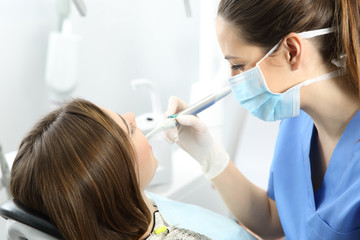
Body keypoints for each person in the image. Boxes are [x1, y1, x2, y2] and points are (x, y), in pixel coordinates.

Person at [164, 0, 360, 239]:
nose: (232, 80)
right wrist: (208, 154)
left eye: (238, 65)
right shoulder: (295, 122)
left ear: (292, 51)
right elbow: (273, 219)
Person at [9, 98, 257, 240]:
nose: (132, 116)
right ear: (117, 182)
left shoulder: (130, 205)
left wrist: (211, 158)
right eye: (130, 129)